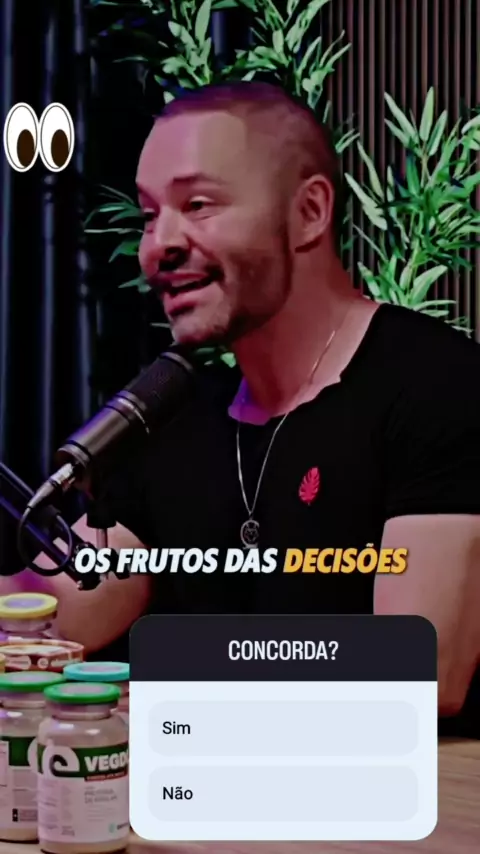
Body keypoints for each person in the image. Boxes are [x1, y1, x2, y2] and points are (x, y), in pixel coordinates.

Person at [2, 81, 480, 718]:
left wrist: (169, 677)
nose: (158, 246)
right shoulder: (176, 417)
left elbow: (421, 672)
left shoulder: (439, 382)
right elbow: (52, 618)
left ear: (309, 212)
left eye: (197, 205)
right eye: (149, 216)